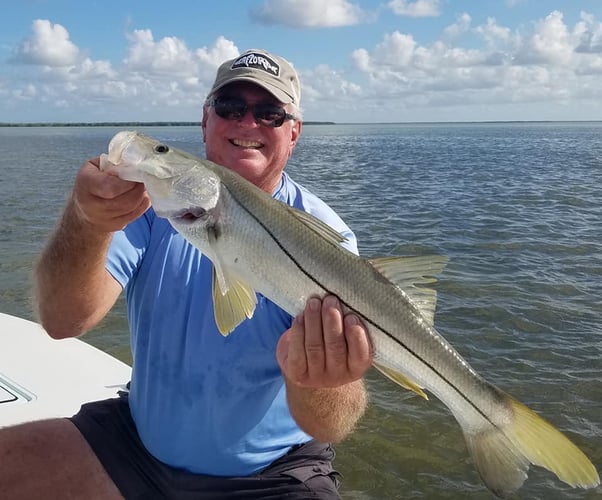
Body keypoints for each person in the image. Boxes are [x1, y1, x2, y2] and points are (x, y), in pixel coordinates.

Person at [0, 49, 372, 499]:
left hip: (272, 474)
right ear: (205, 120)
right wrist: (86, 221)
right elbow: (63, 321)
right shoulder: (149, 205)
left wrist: (321, 380)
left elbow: (330, 423)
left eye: (270, 113)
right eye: (230, 107)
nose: (247, 123)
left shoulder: (328, 238)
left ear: (293, 133)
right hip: (134, 446)